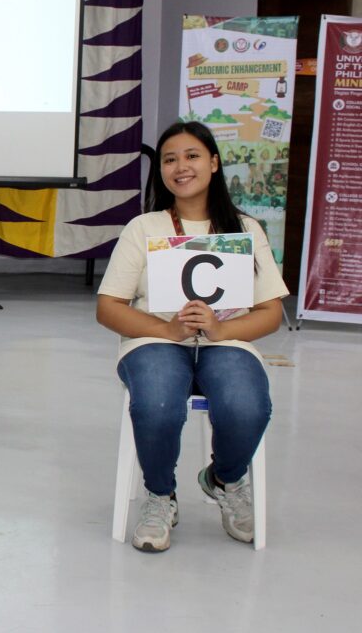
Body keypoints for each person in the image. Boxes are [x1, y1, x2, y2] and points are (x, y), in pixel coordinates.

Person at [96, 121, 287, 552]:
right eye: (169, 159)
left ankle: (225, 478)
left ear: (214, 163)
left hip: (227, 340)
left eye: (192, 156)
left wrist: (221, 329)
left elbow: (271, 313)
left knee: (246, 406)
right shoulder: (144, 227)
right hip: (155, 339)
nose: (180, 166)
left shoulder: (245, 228)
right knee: (158, 404)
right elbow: (108, 307)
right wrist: (166, 329)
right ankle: (160, 496)